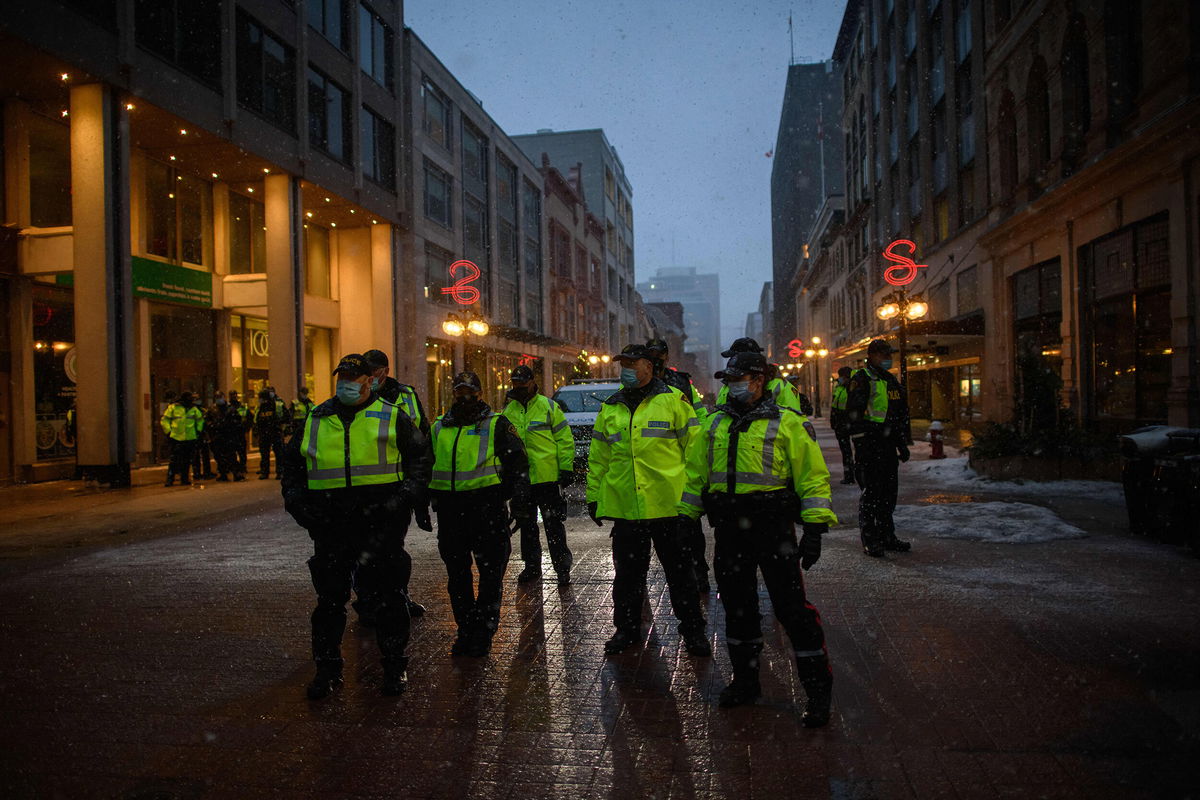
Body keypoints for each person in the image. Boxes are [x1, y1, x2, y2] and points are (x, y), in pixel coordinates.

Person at [679, 350, 838, 726]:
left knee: (792, 611)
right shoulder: (715, 424)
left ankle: (817, 694)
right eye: (730, 379)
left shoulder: (787, 424)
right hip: (730, 531)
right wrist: (687, 519)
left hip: (773, 530)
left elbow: (812, 477)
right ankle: (746, 682)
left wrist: (814, 528)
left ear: (760, 379)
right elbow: (695, 474)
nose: (734, 385)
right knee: (738, 608)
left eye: (740, 378)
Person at [281, 353, 432, 699]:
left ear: (370, 382)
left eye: (354, 377)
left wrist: (400, 503)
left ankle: (394, 668)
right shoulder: (315, 419)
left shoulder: (392, 417)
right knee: (329, 603)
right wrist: (302, 509)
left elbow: (420, 462)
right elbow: (292, 470)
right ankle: (328, 671)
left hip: (380, 528)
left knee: (390, 600)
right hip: (332, 527)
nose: (347, 384)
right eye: (342, 377)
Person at [587, 344, 711, 658]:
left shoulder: (673, 401)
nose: (625, 368)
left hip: (669, 508)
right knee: (627, 577)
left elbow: (695, 454)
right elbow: (599, 458)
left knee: (680, 575)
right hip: (627, 509)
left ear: (649, 366)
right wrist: (593, 497)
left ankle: (693, 632)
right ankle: (626, 630)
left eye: (631, 362)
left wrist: (692, 501)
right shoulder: (611, 407)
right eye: (622, 363)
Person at [429, 371, 532, 657]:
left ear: (480, 392)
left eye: (469, 391)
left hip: (487, 513)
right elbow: (426, 467)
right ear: (453, 393)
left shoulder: (496, 424)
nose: (464, 397)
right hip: (451, 515)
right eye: (459, 391)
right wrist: (423, 504)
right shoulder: (439, 427)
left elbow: (518, 465)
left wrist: (518, 502)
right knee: (457, 578)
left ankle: (484, 633)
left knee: (489, 578)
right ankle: (465, 630)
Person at [363, 349, 432, 619]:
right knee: (367, 547)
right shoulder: (358, 399)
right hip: (367, 486)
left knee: (394, 546)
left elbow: (422, 434)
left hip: (399, 485)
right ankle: (368, 602)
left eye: (374, 373)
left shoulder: (406, 395)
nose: (370, 378)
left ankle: (397, 596)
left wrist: (421, 491)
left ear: (385, 371)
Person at [646, 337, 712, 593]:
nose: (655, 359)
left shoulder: (682, 382)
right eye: (651, 354)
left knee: (689, 527)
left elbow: (699, 415)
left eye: (659, 355)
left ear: (666, 356)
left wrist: (700, 444)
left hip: (679, 466)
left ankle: (699, 572)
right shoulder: (640, 382)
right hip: (650, 467)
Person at [501, 364, 575, 586]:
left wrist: (565, 467)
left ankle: (562, 568)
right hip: (522, 479)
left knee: (553, 526)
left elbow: (564, 439)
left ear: (533, 382)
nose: (519, 387)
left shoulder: (548, 407)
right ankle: (532, 566)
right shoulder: (508, 411)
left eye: (523, 383)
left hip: (547, 478)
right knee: (527, 526)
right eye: (516, 383)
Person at [846, 339, 912, 557]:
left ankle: (887, 536)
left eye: (889, 355)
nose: (887, 359)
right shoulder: (863, 379)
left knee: (889, 495)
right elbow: (854, 413)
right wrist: (861, 443)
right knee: (871, 494)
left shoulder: (890, 380)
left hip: (887, 446)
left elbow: (899, 415)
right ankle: (870, 539)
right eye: (883, 355)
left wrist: (901, 444)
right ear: (871, 355)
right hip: (870, 446)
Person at [714, 338, 806, 415]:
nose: (732, 361)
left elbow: (793, 421)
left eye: (735, 357)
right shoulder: (726, 387)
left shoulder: (779, 386)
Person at [160, 390, 204, 486]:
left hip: (189, 438)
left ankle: (184, 479)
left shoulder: (193, 409)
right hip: (177, 438)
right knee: (174, 461)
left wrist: (198, 431)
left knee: (186, 461)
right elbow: (165, 420)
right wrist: (168, 432)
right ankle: (170, 479)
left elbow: (200, 421)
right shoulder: (174, 408)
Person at [209, 394, 247, 482]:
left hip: (228, 436)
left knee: (231, 456)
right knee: (219, 457)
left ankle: (236, 473)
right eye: (217, 398)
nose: (219, 400)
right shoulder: (213, 410)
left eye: (220, 398)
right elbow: (208, 421)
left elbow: (237, 422)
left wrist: (230, 427)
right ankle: (223, 474)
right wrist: (213, 427)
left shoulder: (231, 409)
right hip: (217, 436)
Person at [830, 366, 856, 485]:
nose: (839, 379)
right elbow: (834, 405)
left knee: (858, 451)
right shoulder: (838, 388)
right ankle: (849, 475)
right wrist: (833, 421)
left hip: (851, 423)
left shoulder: (853, 388)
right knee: (846, 452)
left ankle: (857, 474)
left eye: (841, 377)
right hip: (841, 424)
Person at [254, 388, 287, 479]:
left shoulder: (277, 405)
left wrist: (281, 429)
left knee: (279, 454)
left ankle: (280, 472)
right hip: (264, 434)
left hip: (275, 433)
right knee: (264, 454)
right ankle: (265, 472)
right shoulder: (260, 407)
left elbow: (286, 417)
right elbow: (257, 420)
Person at [192, 393, 216, 480]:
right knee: (196, 456)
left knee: (205, 455)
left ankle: (206, 472)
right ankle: (197, 473)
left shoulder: (203, 410)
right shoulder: (192, 411)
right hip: (195, 435)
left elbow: (207, 421)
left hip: (203, 435)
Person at [228, 390, 250, 471]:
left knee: (242, 452)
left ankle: (242, 467)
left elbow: (249, 418)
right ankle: (234, 467)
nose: (233, 397)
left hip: (240, 432)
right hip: (231, 433)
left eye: (234, 395)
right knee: (232, 452)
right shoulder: (228, 407)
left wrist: (246, 429)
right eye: (231, 395)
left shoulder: (242, 407)